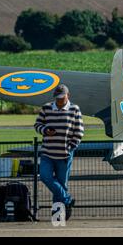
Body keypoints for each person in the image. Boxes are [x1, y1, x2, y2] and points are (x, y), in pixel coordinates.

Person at [34, 84, 84, 220]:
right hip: (47, 153)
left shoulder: (74, 109)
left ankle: (58, 216)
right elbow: (37, 125)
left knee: (61, 184)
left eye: (62, 97)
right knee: (45, 177)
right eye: (57, 98)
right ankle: (67, 200)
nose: (60, 100)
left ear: (68, 95)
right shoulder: (46, 108)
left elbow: (79, 132)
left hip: (65, 154)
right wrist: (45, 130)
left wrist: (71, 147)